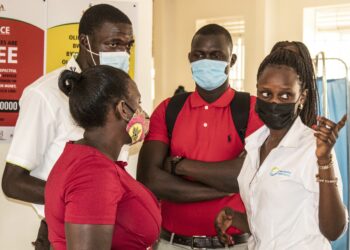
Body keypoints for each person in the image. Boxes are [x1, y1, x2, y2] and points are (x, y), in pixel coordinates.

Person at [1, 4, 134, 249]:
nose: (123, 53)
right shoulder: (46, 95)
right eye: (113, 44)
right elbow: (12, 182)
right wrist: (85, 198)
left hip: (115, 230)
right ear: (85, 41)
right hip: (64, 234)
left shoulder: (121, 92)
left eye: (128, 45)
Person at [137, 24, 263, 249]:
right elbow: (150, 180)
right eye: (199, 55)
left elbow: (250, 175)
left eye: (216, 55)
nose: (207, 61)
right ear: (190, 58)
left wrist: (180, 166)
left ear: (231, 60)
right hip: (173, 243)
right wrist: (225, 188)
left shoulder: (251, 109)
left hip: (235, 244)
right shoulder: (168, 109)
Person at [215, 46, 348, 249]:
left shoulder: (311, 147)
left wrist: (324, 162)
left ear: (301, 98)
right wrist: (236, 218)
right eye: (266, 93)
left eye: (285, 96)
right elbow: (274, 222)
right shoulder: (255, 144)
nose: (274, 102)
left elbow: (334, 230)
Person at [45, 65, 161, 250]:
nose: (143, 113)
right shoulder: (93, 173)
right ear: (123, 109)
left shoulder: (87, 158)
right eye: (138, 103)